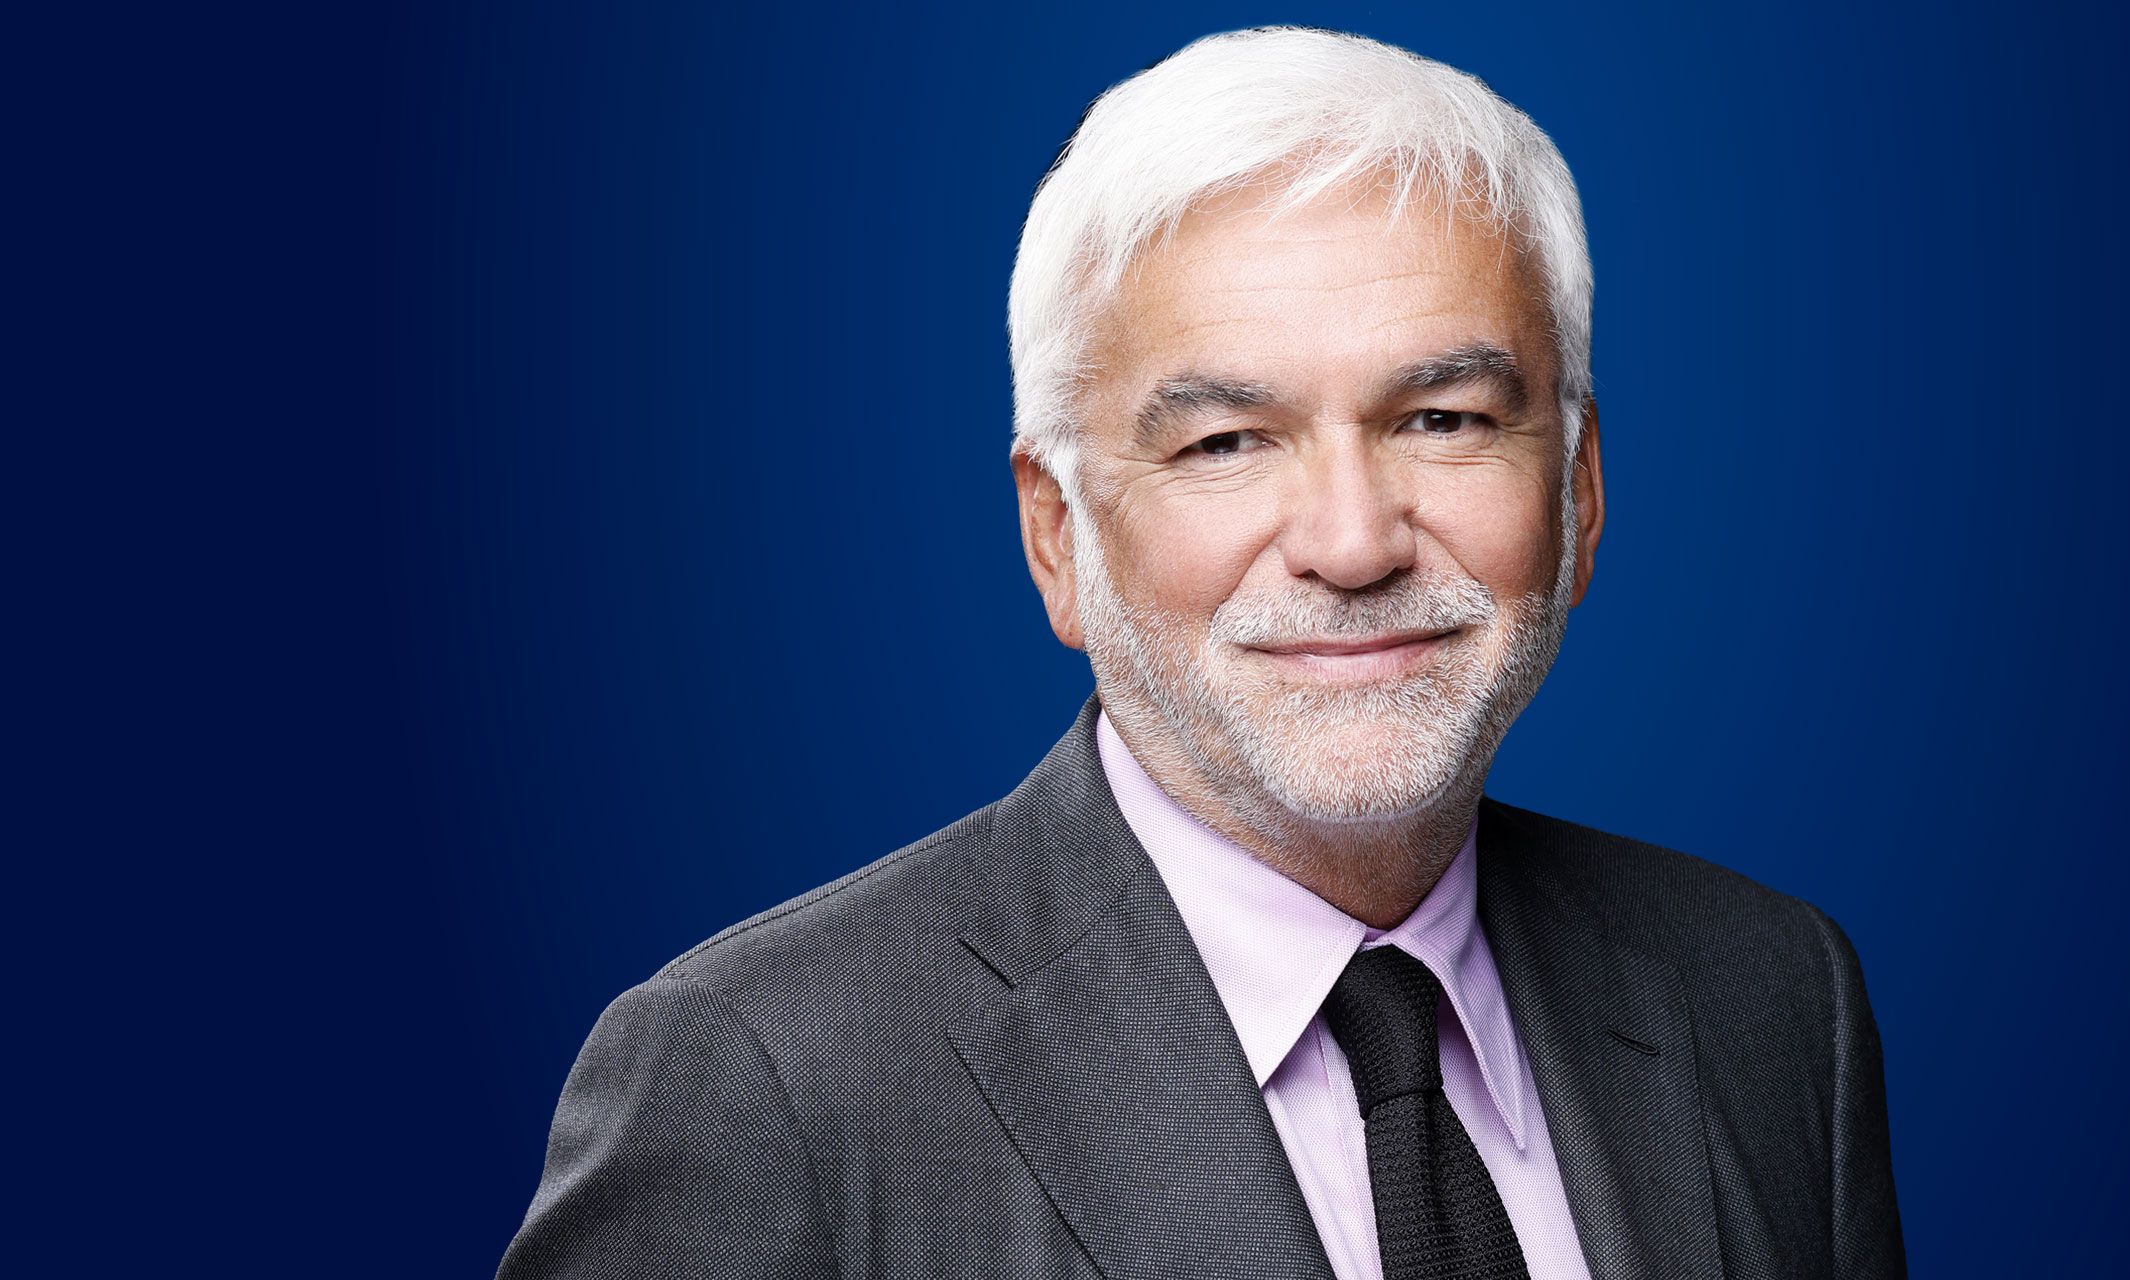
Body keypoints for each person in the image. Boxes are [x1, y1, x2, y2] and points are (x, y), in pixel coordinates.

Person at [497, 26, 1903, 1280]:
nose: (1352, 542)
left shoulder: (1771, 997)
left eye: (1445, 420)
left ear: (1580, 492)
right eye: (1227, 443)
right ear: (1058, 537)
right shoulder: (768, 1090)